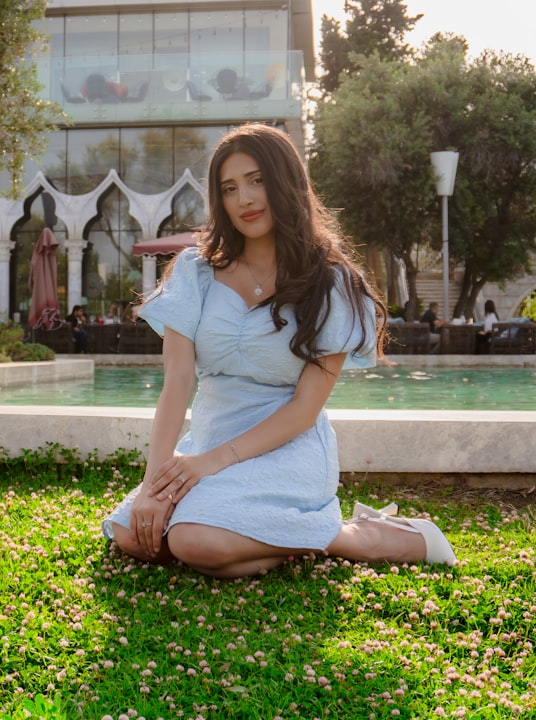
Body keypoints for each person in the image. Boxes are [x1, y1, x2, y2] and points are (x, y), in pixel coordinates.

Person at [100, 124, 456, 579]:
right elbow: (177, 384)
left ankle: (355, 537)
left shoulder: (332, 285)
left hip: (286, 449)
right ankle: (281, 541)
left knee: (191, 540)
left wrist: (212, 464)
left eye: (257, 180)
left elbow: (305, 410)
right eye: (229, 188)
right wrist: (154, 484)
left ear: (285, 182)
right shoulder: (195, 271)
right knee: (133, 534)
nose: (244, 199)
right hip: (208, 440)